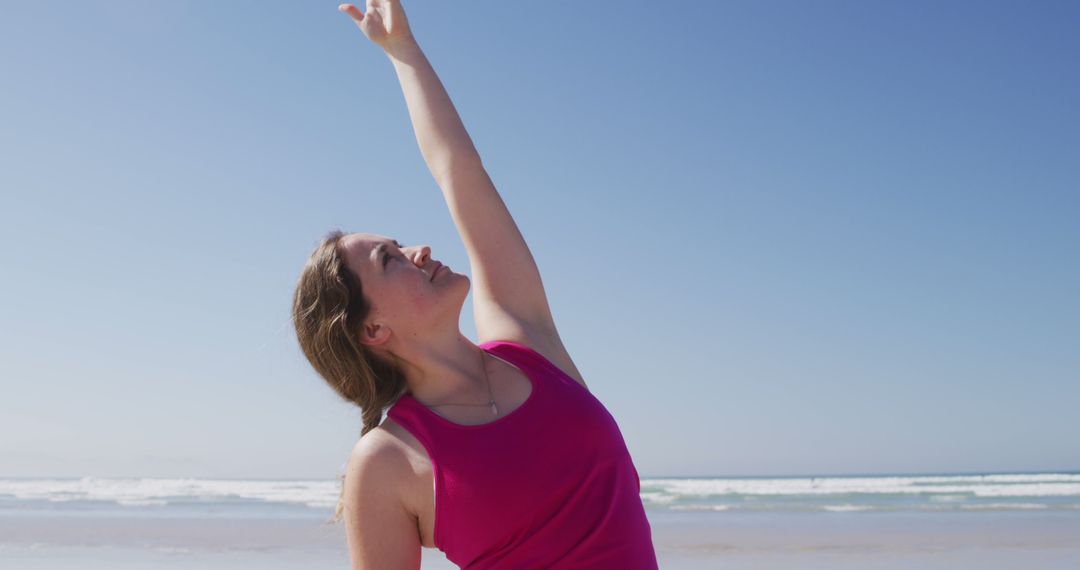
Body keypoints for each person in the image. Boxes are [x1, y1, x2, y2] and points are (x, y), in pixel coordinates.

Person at [291, 1, 658, 567]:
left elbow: (459, 171)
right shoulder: (387, 460)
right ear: (373, 329)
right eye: (391, 259)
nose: (420, 250)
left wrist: (403, 53)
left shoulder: (527, 342)